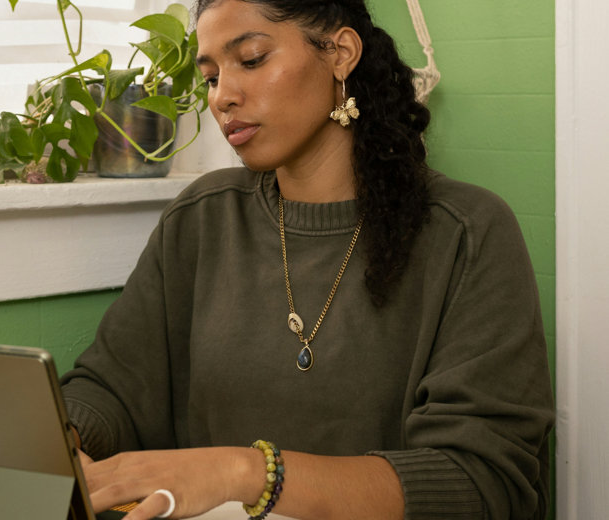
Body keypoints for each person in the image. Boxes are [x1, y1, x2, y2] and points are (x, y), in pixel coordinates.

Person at [59, 1, 555, 519]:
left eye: (250, 59)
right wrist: (58, 434)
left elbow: (484, 482)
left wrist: (247, 475)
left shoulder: (466, 233)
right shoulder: (202, 219)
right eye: (209, 77)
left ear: (340, 53)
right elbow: (112, 386)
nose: (223, 96)